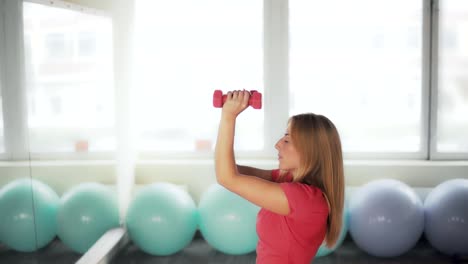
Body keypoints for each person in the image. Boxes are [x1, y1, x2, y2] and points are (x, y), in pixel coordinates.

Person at [214, 90, 345, 263]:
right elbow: (229, 170)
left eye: (287, 139)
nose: (277, 145)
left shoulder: (304, 199)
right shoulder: (286, 179)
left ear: (310, 150)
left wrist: (229, 116)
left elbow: (227, 177)